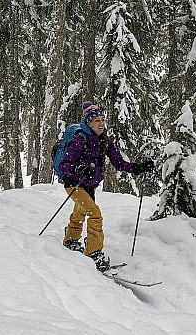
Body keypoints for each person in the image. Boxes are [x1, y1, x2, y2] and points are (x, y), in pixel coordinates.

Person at [58, 101, 154, 270]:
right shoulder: (79, 139)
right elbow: (64, 165)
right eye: (97, 121)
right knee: (95, 214)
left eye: (103, 120)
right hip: (74, 184)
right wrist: (79, 168)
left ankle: (71, 240)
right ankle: (94, 253)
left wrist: (137, 168)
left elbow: (119, 163)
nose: (101, 123)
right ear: (89, 123)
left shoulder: (104, 141)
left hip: (90, 185)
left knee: (80, 212)